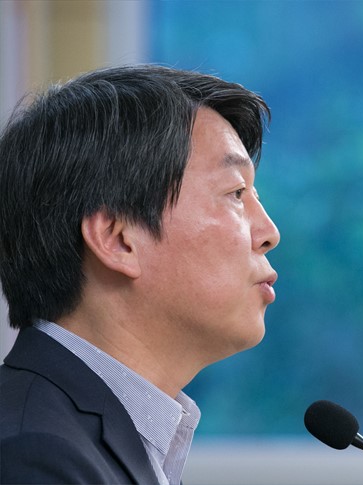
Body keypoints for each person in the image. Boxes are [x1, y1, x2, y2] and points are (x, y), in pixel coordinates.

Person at [0, 65, 280, 484]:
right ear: (118, 239)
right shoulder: (34, 456)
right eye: (235, 193)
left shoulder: (94, 437)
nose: (269, 233)